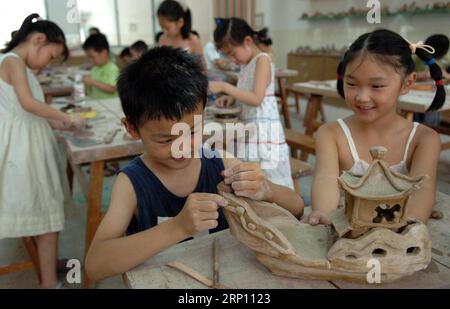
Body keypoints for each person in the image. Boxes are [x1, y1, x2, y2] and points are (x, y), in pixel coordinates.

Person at [84, 46, 304, 281]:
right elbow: (95, 265)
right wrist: (178, 227)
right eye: (167, 139)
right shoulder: (132, 183)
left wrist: (267, 189)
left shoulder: (221, 162)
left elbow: (297, 209)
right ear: (132, 128)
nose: (183, 147)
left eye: (192, 131)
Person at [306, 29, 446, 226]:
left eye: (377, 86)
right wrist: (324, 214)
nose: (362, 97)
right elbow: (325, 179)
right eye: (352, 83)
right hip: (347, 232)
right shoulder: (330, 134)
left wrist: (406, 227)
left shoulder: (424, 139)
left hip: (398, 238)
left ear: (407, 83)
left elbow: (423, 191)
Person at [0, 13, 85, 288]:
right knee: (46, 218)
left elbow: (33, 109)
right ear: (38, 40)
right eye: (50, 56)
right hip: (24, 152)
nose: (48, 63)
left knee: (45, 211)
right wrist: (67, 118)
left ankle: (49, 265)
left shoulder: (20, 66)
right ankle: (48, 283)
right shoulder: (12, 61)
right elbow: (27, 104)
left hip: (30, 143)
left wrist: (60, 124)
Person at [208, 18, 294, 189]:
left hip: (263, 132)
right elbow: (246, 91)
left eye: (232, 53)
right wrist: (231, 98)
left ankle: (279, 210)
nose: (232, 59)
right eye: (227, 56)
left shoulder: (263, 59)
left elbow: (256, 98)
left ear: (247, 41)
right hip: (248, 129)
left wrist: (226, 87)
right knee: (248, 178)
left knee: (268, 180)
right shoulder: (245, 64)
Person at [413, 34, 450, 126]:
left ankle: (429, 130)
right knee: (415, 116)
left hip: (436, 93)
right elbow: (403, 76)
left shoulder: (447, 60)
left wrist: (445, 75)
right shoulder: (416, 58)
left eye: (438, 58)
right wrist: (420, 75)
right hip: (416, 93)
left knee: (432, 113)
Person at [82, 33, 119, 100]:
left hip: (109, 106)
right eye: (88, 57)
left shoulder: (112, 68)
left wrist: (93, 82)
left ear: (104, 53)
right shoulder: (94, 69)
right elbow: (91, 91)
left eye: (92, 57)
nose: (90, 60)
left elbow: (112, 89)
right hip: (97, 104)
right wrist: (87, 85)